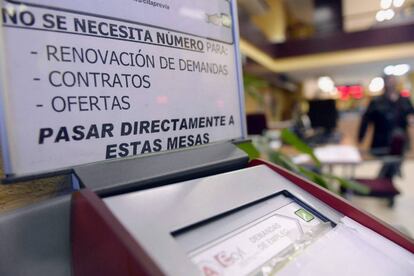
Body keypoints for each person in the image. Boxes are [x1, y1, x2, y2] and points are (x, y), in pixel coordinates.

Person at [358, 75, 414, 178]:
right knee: (389, 162)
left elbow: (411, 114)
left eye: (393, 81)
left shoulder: (404, 100)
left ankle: (386, 179)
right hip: (382, 139)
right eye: (389, 81)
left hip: (400, 139)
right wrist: (360, 138)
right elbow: (366, 121)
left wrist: (410, 119)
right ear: (384, 84)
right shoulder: (376, 101)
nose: (391, 84)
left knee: (394, 161)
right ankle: (385, 180)